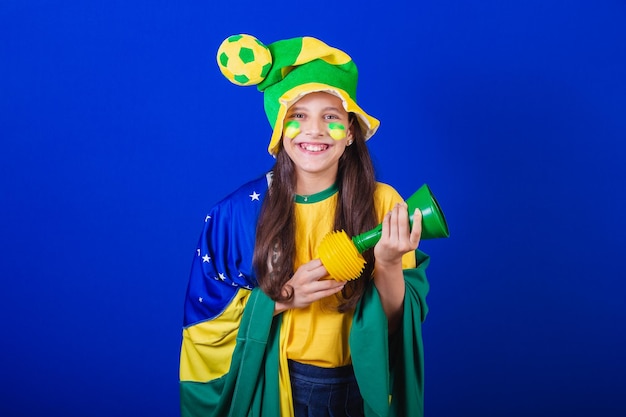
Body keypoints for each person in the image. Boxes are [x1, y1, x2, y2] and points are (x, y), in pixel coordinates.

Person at [179, 34, 431, 417]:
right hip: (284, 388)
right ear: (280, 130)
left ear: (350, 132)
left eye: (330, 117)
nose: (314, 130)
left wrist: (390, 263)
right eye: (298, 116)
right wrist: (281, 297)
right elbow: (206, 324)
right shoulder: (239, 213)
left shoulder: (384, 204)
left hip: (366, 385)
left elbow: (398, 325)